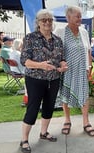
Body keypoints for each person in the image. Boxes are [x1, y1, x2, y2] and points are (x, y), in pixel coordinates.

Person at [19, 9, 67, 153]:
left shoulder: (58, 40)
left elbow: (61, 58)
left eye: (50, 20)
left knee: (49, 106)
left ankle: (44, 132)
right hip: (35, 79)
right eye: (43, 20)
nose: (47, 22)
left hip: (53, 79)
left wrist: (63, 65)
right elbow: (24, 61)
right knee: (33, 109)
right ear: (38, 23)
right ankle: (24, 140)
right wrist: (41, 65)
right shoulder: (30, 38)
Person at [55, 5, 94, 137]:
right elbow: (55, 52)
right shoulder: (60, 31)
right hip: (67, 71)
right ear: (68, 17)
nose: (80, 18)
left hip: (82, 70)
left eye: (80, 16)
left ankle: (86, 122)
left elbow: (88, 51)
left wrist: (89, 67)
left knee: (84, 95)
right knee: (65, 95)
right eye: (77, 16)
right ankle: (67, 120)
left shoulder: (83, 31)